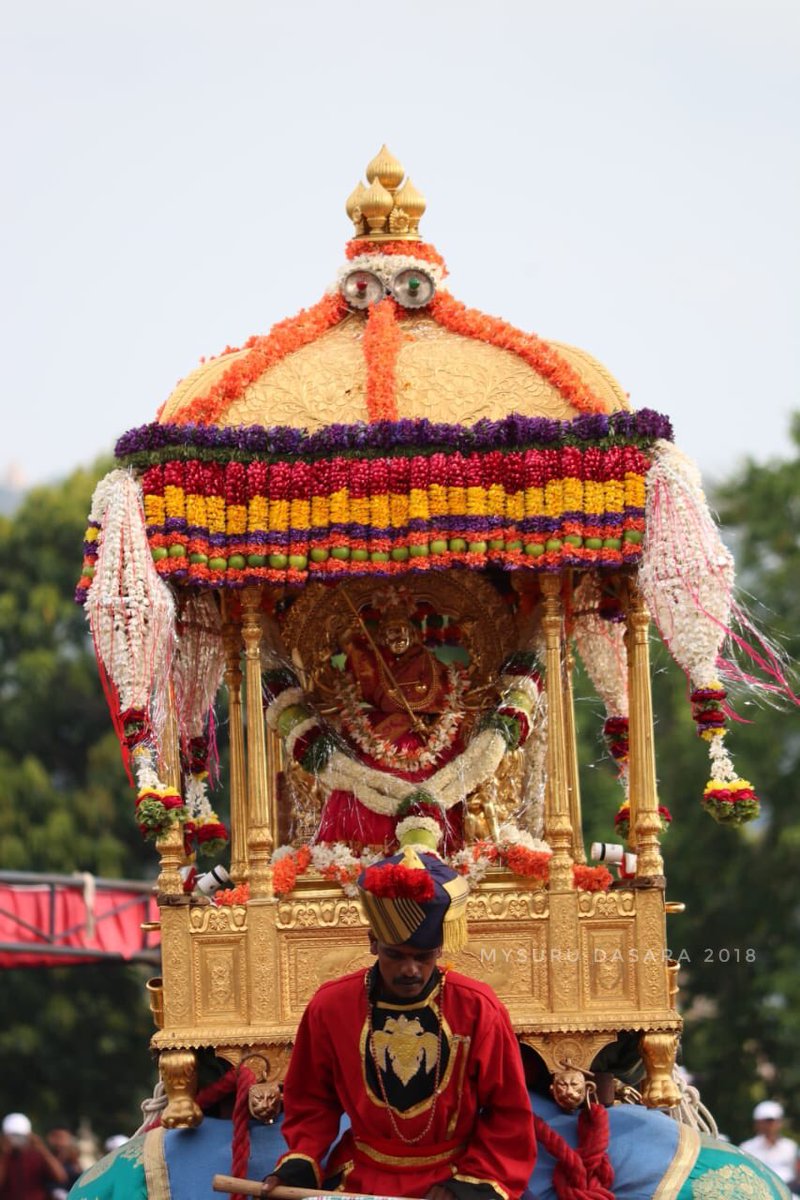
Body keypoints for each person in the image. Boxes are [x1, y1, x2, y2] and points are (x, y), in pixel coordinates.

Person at [263, 836, 536, 1200]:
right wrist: (300, 1162)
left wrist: (469, 1186)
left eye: (423, 957)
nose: (410, 970)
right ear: (373, 941)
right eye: (396, 955)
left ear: (439, 948)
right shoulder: (331, 1006)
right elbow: (310, 1100)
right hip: (360, 1177)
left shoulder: (478, 1007)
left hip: (453, 1180)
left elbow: (509, 1113)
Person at [0, 1114, 67, 1200]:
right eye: (13, 1137)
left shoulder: (37, 1156)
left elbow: (61, 1177)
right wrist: (4, 1154)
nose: (16, 1140)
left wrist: (41, 1148)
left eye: (20, 1137)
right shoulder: (4, 1158)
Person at [739, 1100, 800, 1189]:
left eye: (772, 1121)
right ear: (757, 1123)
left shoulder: (790, 1147)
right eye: (766, 1121)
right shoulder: (746, 1148)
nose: (770, 1125)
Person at [44, 1128, 82, 1200]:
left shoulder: (74, 1165)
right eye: (56, 1137)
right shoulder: (44, 1160)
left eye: (62, 1137)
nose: (59, 1142)